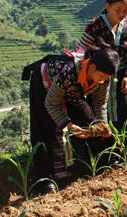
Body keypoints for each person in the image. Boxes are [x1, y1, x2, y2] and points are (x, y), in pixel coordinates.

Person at [23, 45, 119, 194]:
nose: (103, 81)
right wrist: (69, 124)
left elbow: (100, 104)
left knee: (89, 121)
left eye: (106, 78)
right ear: (92, 67)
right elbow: (51, 103)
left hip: (75, 90)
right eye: (102, 77)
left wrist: (103, 125)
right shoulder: (68, 74)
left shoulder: (104, 78)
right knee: (48, 129)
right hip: (45, 83)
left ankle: (100, 164)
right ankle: (47, 181)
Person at [76, 0, 127, 163]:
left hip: (121, 78)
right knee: (99, 117)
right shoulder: (94, 26)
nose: (122, 14)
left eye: (125, 11)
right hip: (97, 79)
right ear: (107, 7)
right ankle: (109, 157)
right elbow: (81, 51)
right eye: (117, 10)